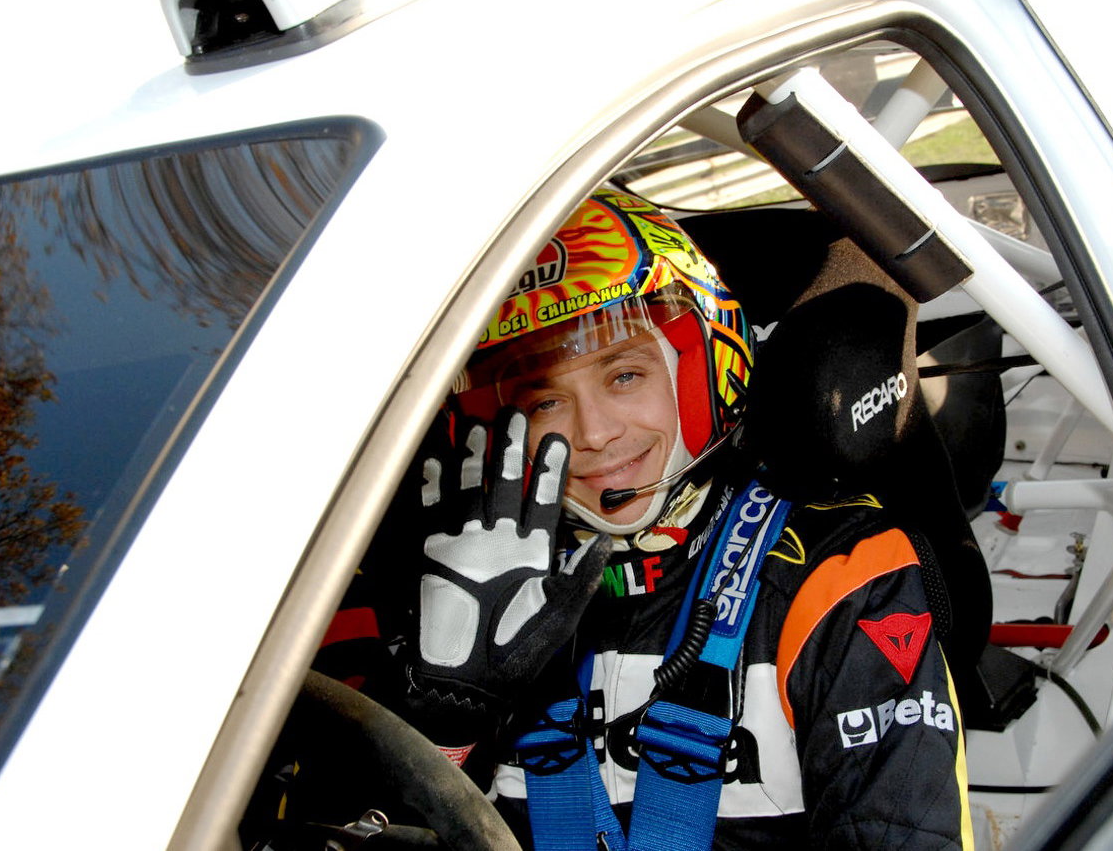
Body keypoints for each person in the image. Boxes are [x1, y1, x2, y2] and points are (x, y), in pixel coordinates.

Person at [330, 188, 973, 849]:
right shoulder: (443, 586)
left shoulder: (836, 577)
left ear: (700, 369)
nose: (597, 433)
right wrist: (440, 724)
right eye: (547, 398)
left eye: (625, 375)